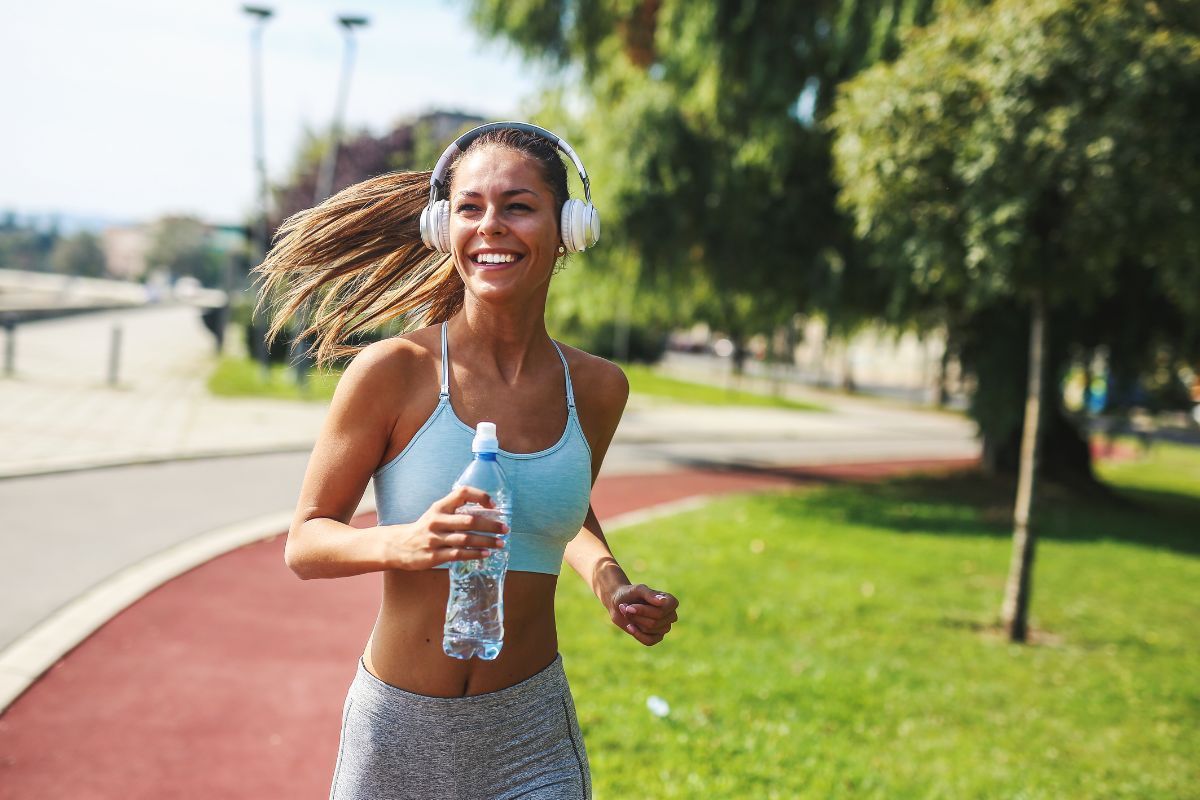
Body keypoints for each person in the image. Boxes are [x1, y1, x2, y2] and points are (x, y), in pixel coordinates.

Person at [253, 122, 680, 800]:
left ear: (570, 227)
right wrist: (408, 542)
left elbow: (564, 508)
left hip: (529, 737)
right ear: (440, 226)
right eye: (470, 208)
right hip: (396, 733)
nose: (491, 227)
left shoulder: (597, 389)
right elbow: (305, 543)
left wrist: (612, 584)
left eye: (518, 206)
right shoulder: (394, 371)